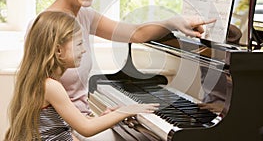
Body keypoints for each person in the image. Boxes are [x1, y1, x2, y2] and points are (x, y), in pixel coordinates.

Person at [28, 0, 216, 140]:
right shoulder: (45, 27)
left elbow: (135, 34)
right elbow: (34, 97)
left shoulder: (85, 16)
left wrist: (173, 23)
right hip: (64, 132)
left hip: (80, 122)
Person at [4, 11, 160, 141]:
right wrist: (125, 111)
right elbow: (86, 129)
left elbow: (71, 123)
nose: (84, 50)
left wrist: (103, 118)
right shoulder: (51, 86)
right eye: (79, 44)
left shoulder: (44, 82)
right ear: (59, 50)